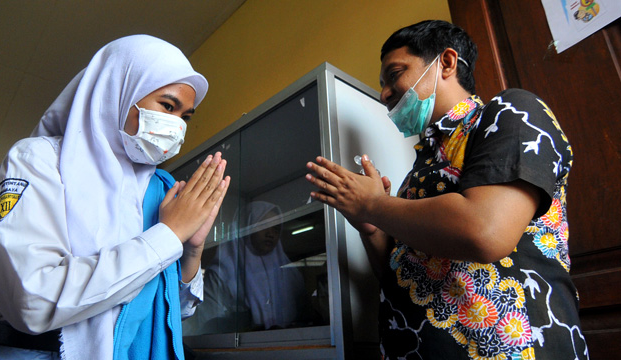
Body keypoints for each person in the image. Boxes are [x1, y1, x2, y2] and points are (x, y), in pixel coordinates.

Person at [306, 20, 588, 359]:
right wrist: (371, 229)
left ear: (447, 62)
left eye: (395, 74)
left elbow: (486, 231)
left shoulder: (512, 112)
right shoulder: (419, 172)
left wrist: (373, 206)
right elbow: (402, 274)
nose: (384, 93)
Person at [0, 35, 230, 359]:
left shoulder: (157, 187)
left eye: (186, 116)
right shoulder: (37, 162)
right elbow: (32, 300)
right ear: (117, 91)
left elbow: (168, 313)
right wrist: (168, 235)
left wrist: (190, 251)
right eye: (167, 106)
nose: (176, 126)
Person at [184, 202, 309, 334]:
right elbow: (210, 326)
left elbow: (305, 315)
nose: (270, 234)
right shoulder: (222, 272)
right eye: (264, 225)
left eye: (276, 229)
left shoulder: (290, 274)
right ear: (248, 227)